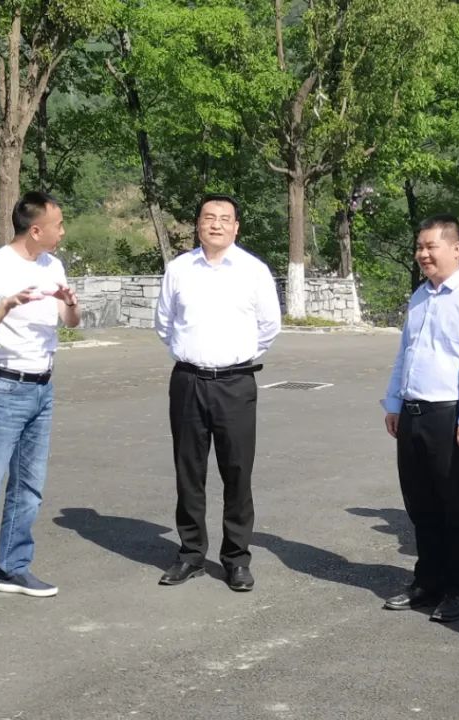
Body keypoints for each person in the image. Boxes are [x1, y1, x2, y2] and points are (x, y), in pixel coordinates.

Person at [0, 191, 80, 608]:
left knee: (29, 486)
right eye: (58, 225)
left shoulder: (52, 265)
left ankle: (14, 568)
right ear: (35, 230)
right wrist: (6, 305)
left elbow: (70, 322)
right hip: (4, 387)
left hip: (43, 386)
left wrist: (71, 305)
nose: (63, 232)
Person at [154, 193, 281, 591]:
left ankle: (236, 558)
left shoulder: (253, 271)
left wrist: (234, 358)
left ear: (236, 227)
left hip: (235, 383)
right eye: (209, 217)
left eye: (225, 218)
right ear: (198, 224)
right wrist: (193, 356)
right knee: (189, 471)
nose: (216, 224)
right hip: (188, 381)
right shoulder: (179, 269)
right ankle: (191, 554)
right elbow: (164, 324)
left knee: (237, 471)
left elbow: (269, 326)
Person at [381, 215, 459, 622]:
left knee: (454, 505)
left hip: (449, 416)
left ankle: (457, 588)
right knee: (420, 503)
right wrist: (394, 403)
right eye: (420, 246)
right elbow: (405, 354)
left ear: (456, 249)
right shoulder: (420, 296)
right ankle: (426, 581)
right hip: (412, 412)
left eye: (431, 246)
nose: (423, 254)